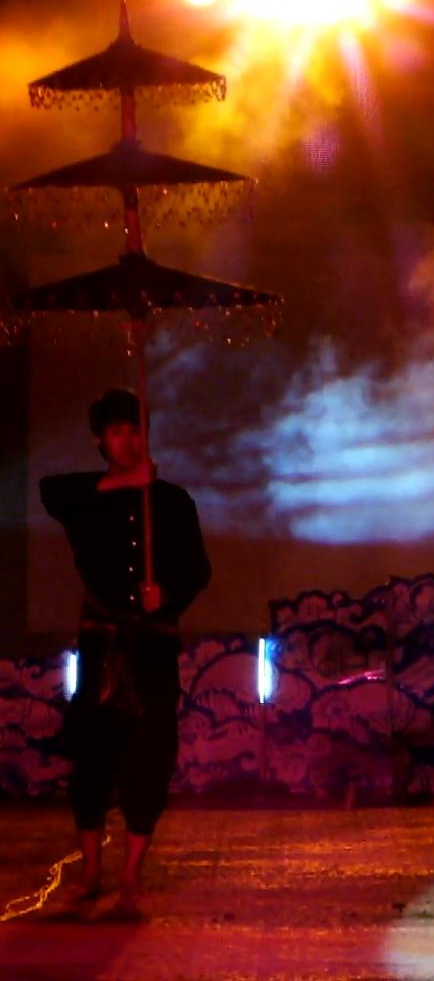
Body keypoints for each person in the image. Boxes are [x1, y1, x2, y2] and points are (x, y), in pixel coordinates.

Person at [40, 389, 211, 912]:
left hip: (152, 646)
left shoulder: (173, 502)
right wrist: (124, 483)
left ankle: (131, 876)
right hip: (101, 647)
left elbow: (197, 569)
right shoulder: (83, 495)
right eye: (118, 432)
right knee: (91, 758)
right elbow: (51, 493)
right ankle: (91, 871)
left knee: (149, 759)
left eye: (137, 431)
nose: (130, 441)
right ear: (99, 439)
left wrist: (168, 596)